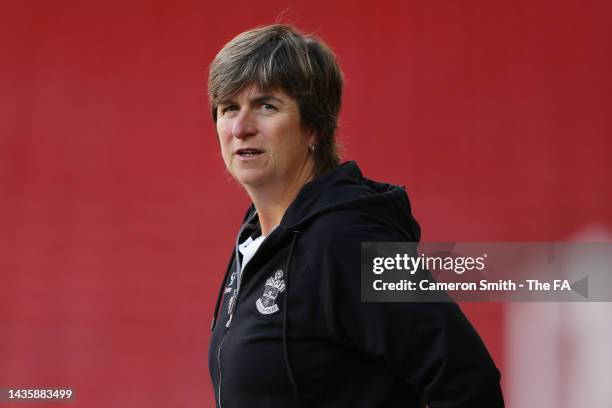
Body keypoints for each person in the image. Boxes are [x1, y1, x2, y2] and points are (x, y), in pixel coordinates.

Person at [207, 24, 504, 407]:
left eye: (266, 106)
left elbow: (465, 378)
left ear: (314, 125)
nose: (241, 128)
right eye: (229, 108)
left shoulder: (348, 238)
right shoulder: (254, 246)